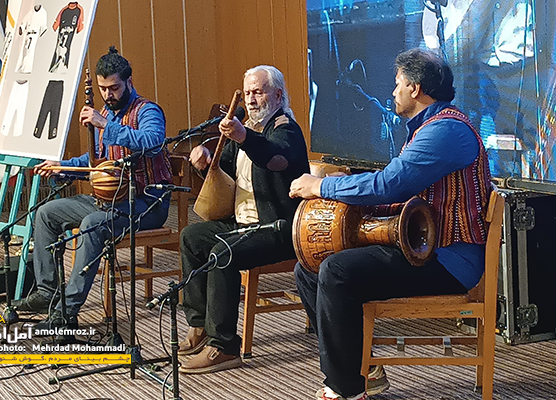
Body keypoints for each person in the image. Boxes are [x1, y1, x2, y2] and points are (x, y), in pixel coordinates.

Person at [289, 48, 493, 400]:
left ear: (415, 88)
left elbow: (390, 185)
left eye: (398, 83)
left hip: (448, 260)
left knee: (336, 271)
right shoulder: (430, 127)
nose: (393, 91)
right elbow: (396, 187)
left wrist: (321, 186)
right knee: (309, 266)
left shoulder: (446, 130)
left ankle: (346, 388)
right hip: (424, 249)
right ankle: (361, 370)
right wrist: (348, 184)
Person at [13, 46, 172, 331]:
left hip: (145, 203)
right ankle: (47, 292)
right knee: (47, 213)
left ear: (129, 82)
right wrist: (62, 166)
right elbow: (95, 159)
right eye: (103, 89)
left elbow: (152, 141)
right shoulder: (106, 113)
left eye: (114, 88)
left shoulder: (147, 110)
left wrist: (105, 124)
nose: (108, 95)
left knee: (92, 224)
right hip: (108, 200)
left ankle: (66, 312)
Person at [178, 65, 310, 374]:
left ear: (277, 95)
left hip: (278, 227)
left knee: (222, 252)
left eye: (258, 92)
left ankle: (224, 347)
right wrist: (205, 161)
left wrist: (244, 136)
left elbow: (275, 159)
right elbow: (223, 171)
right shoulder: (246, 128)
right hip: (242, 224)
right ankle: (200, 326)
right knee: (191, 238)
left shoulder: (285, 128)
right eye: (248, 93)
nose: (250, 99)